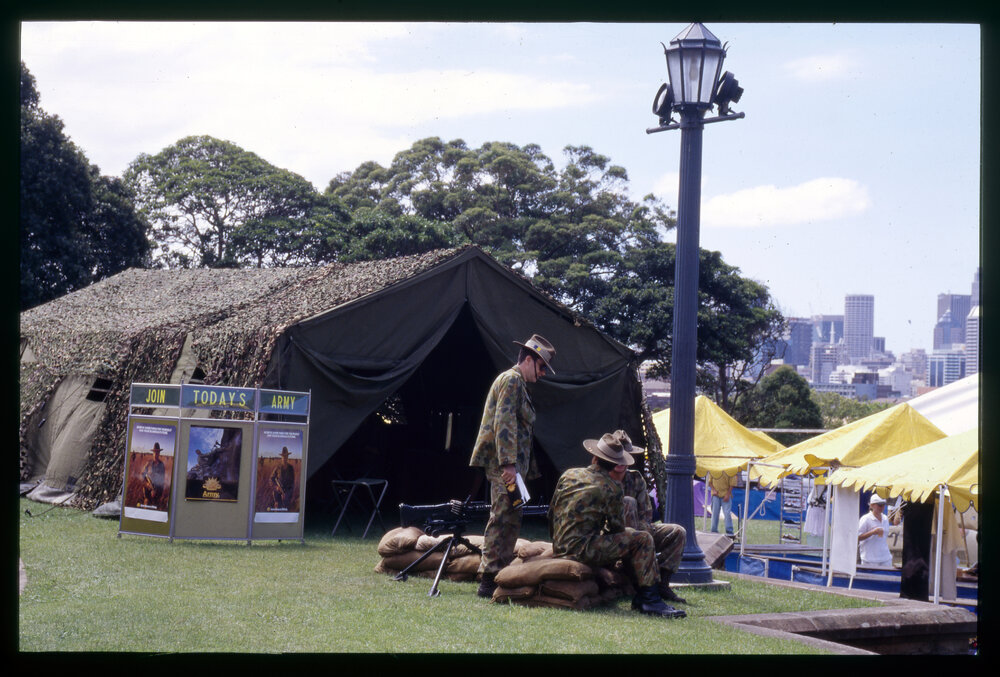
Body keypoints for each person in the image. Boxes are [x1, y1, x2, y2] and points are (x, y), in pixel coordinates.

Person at [548, 433, 685, 619]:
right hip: (582, 550)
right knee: (642, 539)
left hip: (561, 545)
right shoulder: (612, 487)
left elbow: (551, 512)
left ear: (594, 457)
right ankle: (649, 599)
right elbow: (617, 529)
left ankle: (651, 591)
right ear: (615, 464)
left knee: (640, 535)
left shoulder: (569, 474)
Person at [469, 334, 555, 599]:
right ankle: (488, 579)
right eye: (541, 367)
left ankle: (500, 576)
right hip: (505, 467)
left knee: (511, 519)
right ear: (528, 360)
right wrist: (508, 465)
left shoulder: (518, 383)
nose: (542, 374)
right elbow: (504, 423)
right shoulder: (512, 380)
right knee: (502, 519)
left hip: (514, 469)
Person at [613, 430, 688, 605]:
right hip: (614, 535)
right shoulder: (601, 479)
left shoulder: (635, 478)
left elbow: (646, 515)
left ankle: (661, 582)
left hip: (640, 530)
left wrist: (645, 538)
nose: (622, 462)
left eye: (627, 457)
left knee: (678, 532)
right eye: (619, 457)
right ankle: (636, 577)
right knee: (628, 502)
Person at [858, 494, 893, 567]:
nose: (882, 507)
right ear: (872, 505)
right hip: (869, 559)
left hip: (885, 558)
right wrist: (872, 532)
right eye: (879, 505)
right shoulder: (865, 519)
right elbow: (858, 537)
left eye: (883, 505)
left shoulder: (885, 518)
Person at [140, 442, 166, 507]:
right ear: (153, 453)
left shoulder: (161, 465)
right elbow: (141, 475)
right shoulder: (148, 463)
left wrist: (157, 491)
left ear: (159, 453)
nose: (156, 454)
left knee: (155, 509)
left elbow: (162, 480)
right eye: (155, 452)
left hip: (157, 493)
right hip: (147, 492)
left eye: (157, 452)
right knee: (146, 507)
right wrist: (147, 484)